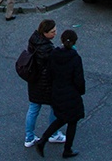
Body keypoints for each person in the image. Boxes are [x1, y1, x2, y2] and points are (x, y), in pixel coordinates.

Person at [34, 29, 85, 158]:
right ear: (74, 42)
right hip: (71, 94)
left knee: (61, 118)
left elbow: (49, 74)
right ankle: (67, 149)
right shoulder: (75, 58)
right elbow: (79, 80)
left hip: (57, 92)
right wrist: (80, 91)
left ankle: (43, 140)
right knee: (72, 121)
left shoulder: (54, 55)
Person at [24, 19, 65, 148]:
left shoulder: (34, 39)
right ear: (45, 32)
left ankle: (29, 137)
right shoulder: (47, 49)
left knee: (33, 108)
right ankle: (54, 134)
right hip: (46, 84)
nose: (55, 33)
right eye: (53, 31)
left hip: (34, 82)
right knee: (55, 107)